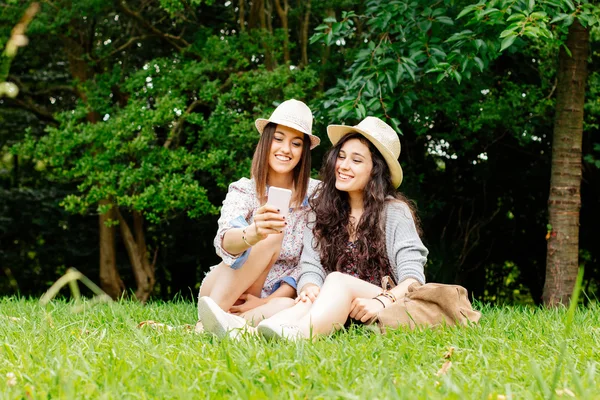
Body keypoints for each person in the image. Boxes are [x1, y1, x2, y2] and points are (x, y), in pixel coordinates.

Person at [198, 116, 428, 339]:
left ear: (376, 170)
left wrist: (381, 301)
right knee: (309, 296)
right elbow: (311, 265)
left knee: (335, 281)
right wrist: (309, 287)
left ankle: (298, 334)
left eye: (356, 161)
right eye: (341, 156)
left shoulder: (394, 212)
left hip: (382, 299)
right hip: (335, 300)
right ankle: (246, 330)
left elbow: (414, 279)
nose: (344, 166)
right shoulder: (326, 207)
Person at [197, 99, 321, 330]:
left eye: (296, 143)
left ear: (304, 152)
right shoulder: (244, 189)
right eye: (278, 139)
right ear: (266, 142)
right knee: (272, 233)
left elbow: (309, 263)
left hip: (271, 297)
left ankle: (225, 325)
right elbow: (225, 241)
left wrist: (265, 301)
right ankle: (209, 319)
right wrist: (253, 232)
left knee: (289, 306)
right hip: (226, 286)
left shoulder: (317, 196)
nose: (286, 149)